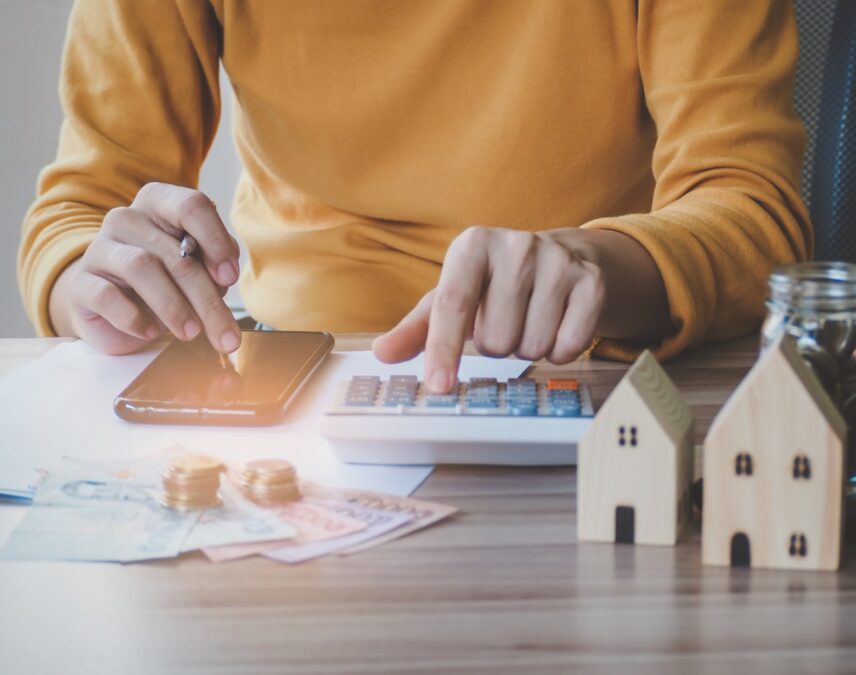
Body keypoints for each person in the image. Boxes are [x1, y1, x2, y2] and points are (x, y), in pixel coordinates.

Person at [18, 0, 811, 395]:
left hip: (589, 381)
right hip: (293, 380)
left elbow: (754, 210)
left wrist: (594, 263)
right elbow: (84, 210)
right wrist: (89, 279)